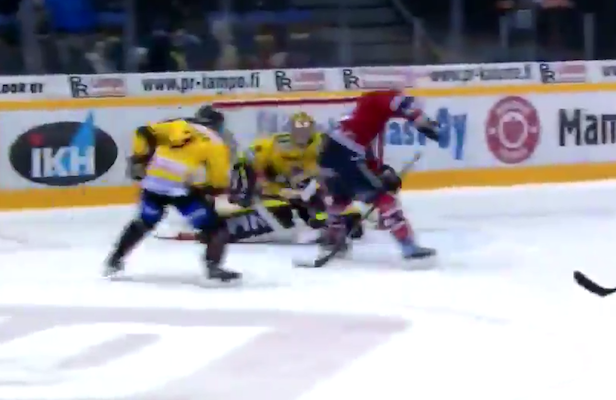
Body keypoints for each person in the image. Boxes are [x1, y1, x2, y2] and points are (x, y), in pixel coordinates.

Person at [106, 119, 240, 282]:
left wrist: (140, 158)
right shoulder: (216, 142)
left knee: (144, 222)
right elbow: (218, 180)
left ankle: (114, 260)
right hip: (181, 191)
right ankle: (213, 267)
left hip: (153, 183)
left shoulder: (178, 125)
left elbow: (142, 131)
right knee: (216, 228)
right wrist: (210, 190)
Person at [319, 88, 440, 261]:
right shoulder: (381, 98)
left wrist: (381, 172)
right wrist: (421, 120)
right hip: (345, 153)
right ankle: (409, 247)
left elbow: (367, 153)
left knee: (340, 198)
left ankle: (331, 242)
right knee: (384, 198)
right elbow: (402, 104)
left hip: (328, 154)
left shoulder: (364, 117)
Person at [230, 111, 365, 241]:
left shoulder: (322, 144)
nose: (302, 134)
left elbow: (339, 165)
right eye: (298, 129)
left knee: (327, 207)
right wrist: (244, 190)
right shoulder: (273, 144)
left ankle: (322, 223)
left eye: (306, 129)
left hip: (311, 193)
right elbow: (244, 159)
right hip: (276, 191)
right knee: (282, 213)